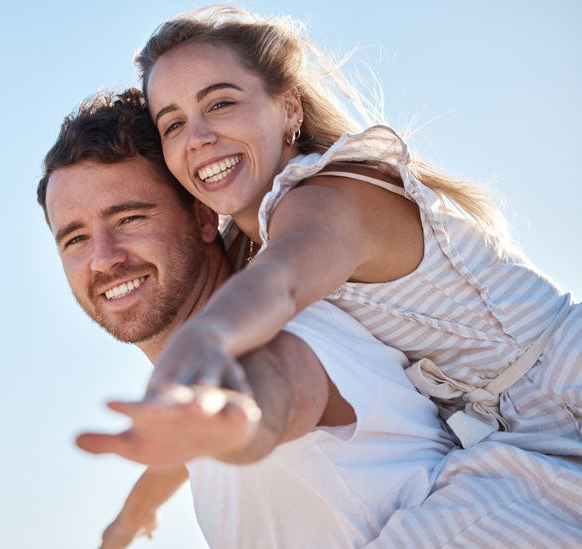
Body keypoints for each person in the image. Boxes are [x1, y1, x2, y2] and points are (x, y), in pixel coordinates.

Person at [135, 5, 581, 459]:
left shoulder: (325, 195)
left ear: (290, 109)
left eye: (221, 103)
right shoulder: (250, 244)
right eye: (173, 124)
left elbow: (283, 281)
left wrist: (204, 338)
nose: (198, 137)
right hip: (519, 433)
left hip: (566, 385)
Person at [37, 88, 453, 548]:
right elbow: (186, 441)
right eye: (74, 239)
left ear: (202, 218)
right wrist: (132, 517)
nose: (102, 259)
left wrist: (235, 417)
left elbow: (275, 387)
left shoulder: (290, 334)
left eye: (130, 219)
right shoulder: (191, 411)